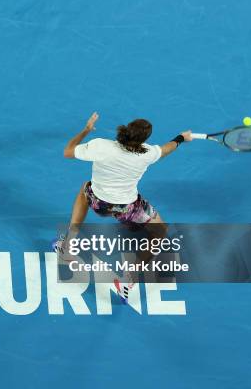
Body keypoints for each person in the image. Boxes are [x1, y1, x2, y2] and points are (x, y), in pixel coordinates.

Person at [55, 112, 192, 301]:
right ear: (143, 140)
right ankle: (129, 278)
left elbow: (68, 151)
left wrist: (86, 130)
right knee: (160, 231)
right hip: (128, 210)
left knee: (85, 188)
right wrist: (181, 138)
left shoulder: (100, 145)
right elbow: (166, 149)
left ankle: (68, 245)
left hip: (98, 202)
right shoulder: (148, 154)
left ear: (125, 130)